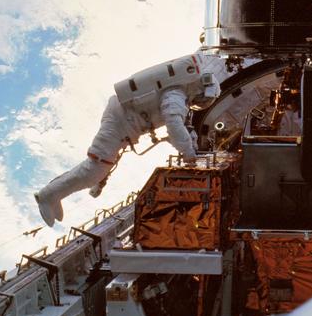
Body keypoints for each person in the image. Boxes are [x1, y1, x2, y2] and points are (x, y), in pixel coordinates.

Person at [34, 52, 223, 227]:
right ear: (200, 87)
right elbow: (173, 122)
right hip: (119, 122)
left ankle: (55, 193)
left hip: (123, 122)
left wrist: (189, 145)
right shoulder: (176, 94)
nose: (198, 104)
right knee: (95, 169)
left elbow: (180, 126)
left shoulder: (178, 93)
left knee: (96, 168)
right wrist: (189, 153)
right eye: (201, 100)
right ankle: (47, 196)